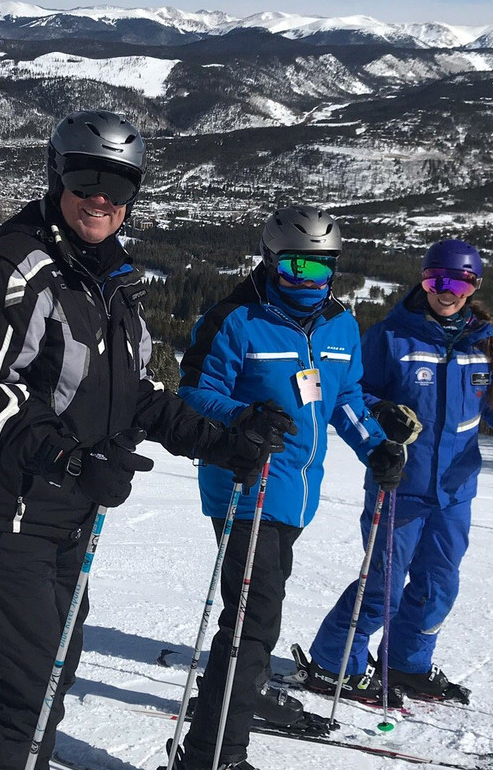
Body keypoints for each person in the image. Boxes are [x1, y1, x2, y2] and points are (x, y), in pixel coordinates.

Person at [0, 109, 292, 770]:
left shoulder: (112, 281)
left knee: (51, 674)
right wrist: (67, 459)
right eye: (85, 179)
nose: (101, 198)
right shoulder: (15, 268)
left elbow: (138, 395)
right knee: (29, 685)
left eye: (118, 185)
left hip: (63, 512)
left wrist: (223, 439)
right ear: (55, 176)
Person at [301, 238, 493, 706]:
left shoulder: (485, 341)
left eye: (459, 283)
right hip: (400, 484)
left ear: (474, 287)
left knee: (438, 586)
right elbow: (354, 393)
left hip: (455, 491)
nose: (446, 291)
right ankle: (333, 665)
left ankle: (406, 663)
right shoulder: (392, 336)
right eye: (436, 280)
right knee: (383, 587)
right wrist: (385, 414)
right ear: (423, 280)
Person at [171, 206, 410, 770]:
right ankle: (212, 754)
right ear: (270, 260)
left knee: (259, 613)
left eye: (320, 267)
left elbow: (344, 399)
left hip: (298, 492)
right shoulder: (236, 319)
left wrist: (375, 446)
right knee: (253, 620)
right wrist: (244, 417)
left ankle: (240, 693)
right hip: (244, 484)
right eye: (294, 267)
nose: (308, 280)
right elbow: (193, 393)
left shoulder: (340, 324)